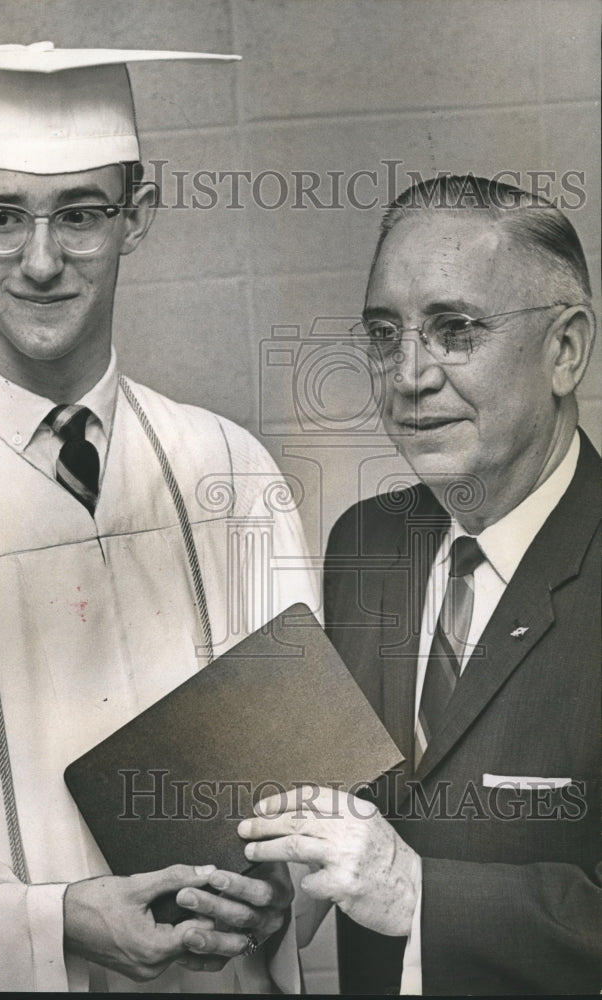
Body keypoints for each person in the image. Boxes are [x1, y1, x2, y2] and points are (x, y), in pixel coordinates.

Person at [0, 44, 319, 992]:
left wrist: (283, 881)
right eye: (2, 217)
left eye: (84, 214)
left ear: (137, 216)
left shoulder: (232, 474)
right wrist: (50, 923)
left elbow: (310, 778)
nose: (44, 261)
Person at [238, 175, 601, 994]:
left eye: (455, 330)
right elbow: (337, 804)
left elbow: (392, 874)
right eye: (383, 334)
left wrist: (417, 893)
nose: (407, 375)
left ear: (566, 350)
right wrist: (264, 901)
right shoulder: (364, 544)